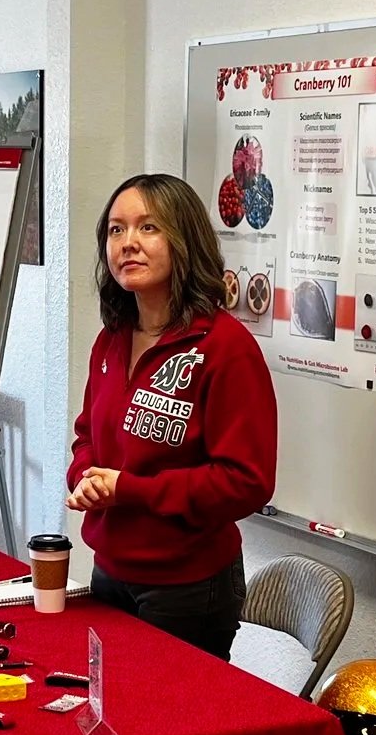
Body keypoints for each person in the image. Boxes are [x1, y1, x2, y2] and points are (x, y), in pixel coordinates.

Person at [65, 172, 277, 659]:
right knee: (111, 717)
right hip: (110, 568)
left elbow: (247, 481)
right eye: (116, 230)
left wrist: (129, 489)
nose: (128, 244)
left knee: (164, 726)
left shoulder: (226, 348)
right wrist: (87, 477)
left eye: (148, 228)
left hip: (187, 585)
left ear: (184, 241)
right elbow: (88, 437)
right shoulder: (112, 339)